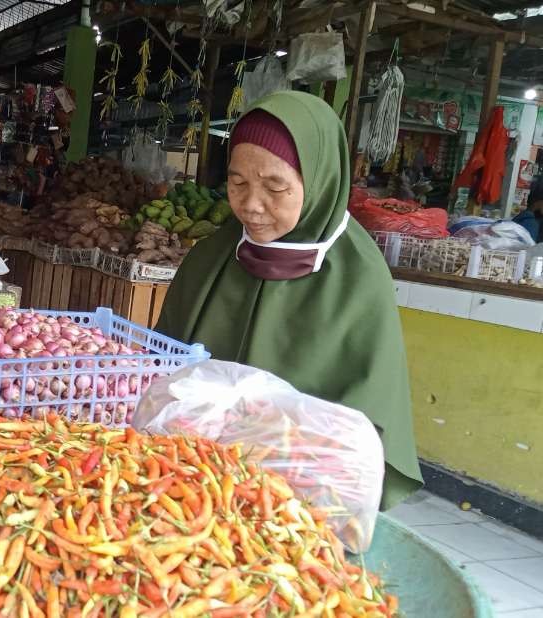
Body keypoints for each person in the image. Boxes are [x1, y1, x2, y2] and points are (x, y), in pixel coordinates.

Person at [156, 91, 422, 509]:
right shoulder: (210, 259)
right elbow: (162, 369)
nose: (251, 205)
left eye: (275, 187)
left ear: (318, 183)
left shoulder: (358, 278)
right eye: (237, 183)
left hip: (298, 503)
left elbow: (365, 423)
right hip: (187, 486)